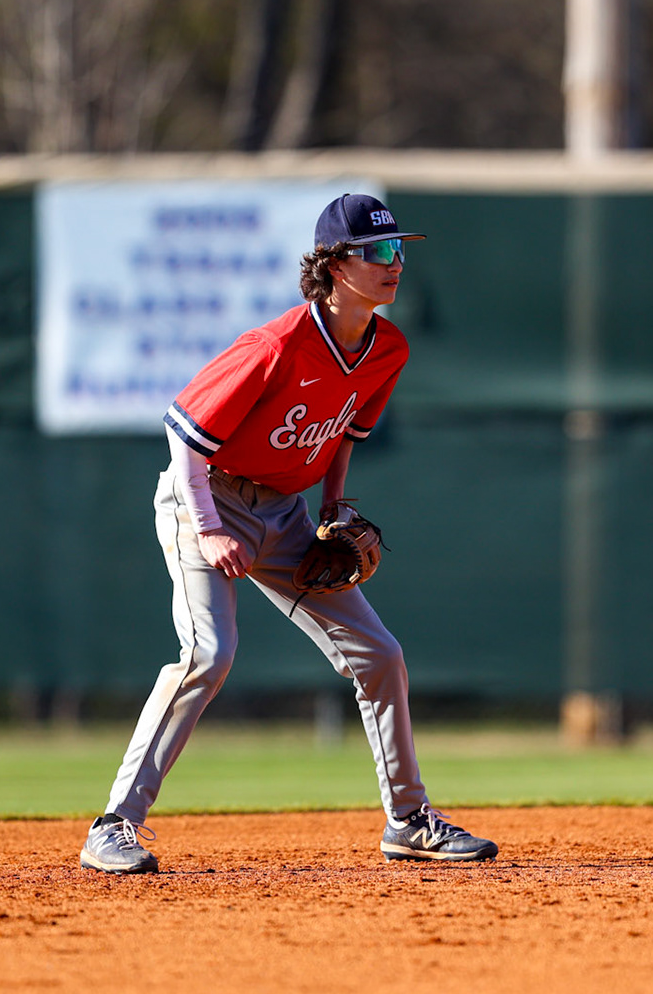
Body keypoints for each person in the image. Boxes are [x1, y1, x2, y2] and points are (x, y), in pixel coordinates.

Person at [80, 193, 498, 873]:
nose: (395, 266)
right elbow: (183, 437)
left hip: (288, 514)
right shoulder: (275, 347)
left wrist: (334, 509)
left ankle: (409, 820)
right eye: (378, 253)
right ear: (334, 265)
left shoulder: (387, 349)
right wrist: (210, 530)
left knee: (379, 655)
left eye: (399, 252)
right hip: (207, 500)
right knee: (208, 655)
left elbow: (341, 437)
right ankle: (113, 825)